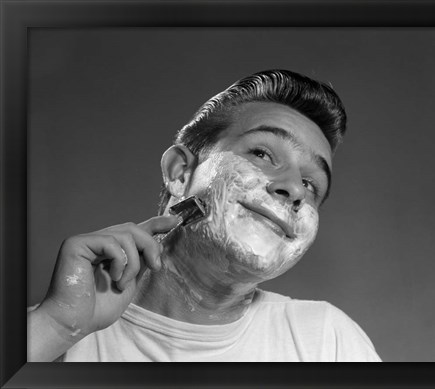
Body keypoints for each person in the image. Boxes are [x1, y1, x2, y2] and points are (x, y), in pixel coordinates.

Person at [27, 69, 381, 362]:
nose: (295, 190)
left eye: (311, 184)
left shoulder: (327, 341)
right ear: (181, 172)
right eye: (261, 153)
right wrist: (57, 328)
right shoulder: (52, 333)